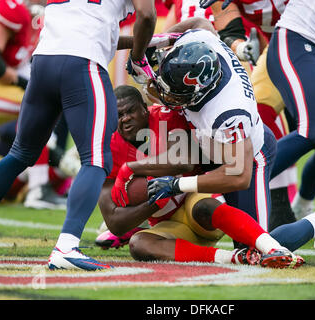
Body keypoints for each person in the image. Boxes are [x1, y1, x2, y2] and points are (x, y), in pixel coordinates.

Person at [116, 17, 315, 254]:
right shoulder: (200, 44)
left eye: (176, 94)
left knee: (258, 247)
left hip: (245, 158)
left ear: (200, 92)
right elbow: (200, 22)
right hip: (209, 147)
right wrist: (157, 42)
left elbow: (238, 174)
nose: (167, 98)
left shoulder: (228, 111)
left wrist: (178, 184)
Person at [0, 0, 157, 271]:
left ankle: (65, 243)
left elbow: (93, 26)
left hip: (44, 61)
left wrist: (144, 41)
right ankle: (66, 247)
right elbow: (146, 13)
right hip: (82, 64)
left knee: (20, 153)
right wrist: (139, 55)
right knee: (97, 159)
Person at [97, 84, 303, 268]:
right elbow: (115, 223)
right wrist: (154, 202)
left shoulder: (165, 116)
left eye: (131, 111)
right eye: (119, 115)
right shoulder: (110, 145)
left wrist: (131, 168)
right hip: (169, 223)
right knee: (139, 245)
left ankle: (277, 247)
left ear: (144, 107)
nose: (125, 119)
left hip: (197, 200)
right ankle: (234, 257)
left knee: (211, 209)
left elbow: (184, 160)